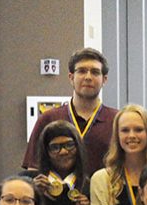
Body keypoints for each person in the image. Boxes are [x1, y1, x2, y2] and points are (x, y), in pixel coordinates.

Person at [23, 47, 119, 177]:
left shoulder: (117, 121)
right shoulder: (49, 119)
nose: (88, 77)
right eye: (82, 71)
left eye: (95, 72)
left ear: (104, 79)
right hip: (55, 196)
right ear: (71, 77)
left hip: (102, 196)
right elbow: (33, 169)